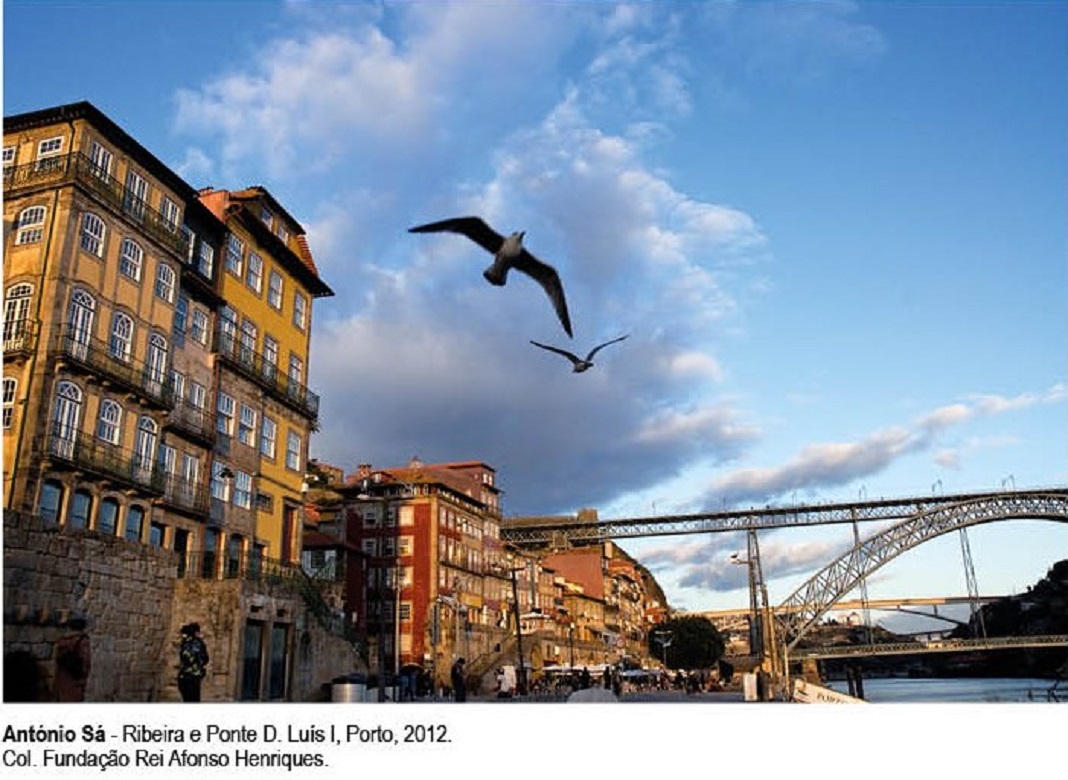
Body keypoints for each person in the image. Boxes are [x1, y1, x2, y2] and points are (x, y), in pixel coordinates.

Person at [54, 617, 91, 702]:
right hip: (75, 680)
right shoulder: (83, 641)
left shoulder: (62, 641)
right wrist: (83, 679)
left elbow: (56, 660)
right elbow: (86, 661)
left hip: (62, 680)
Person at [177, 622, 209, 702]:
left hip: (184, 676)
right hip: (194, 676)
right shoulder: (199, 643)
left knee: (187, 699)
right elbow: (205, 659)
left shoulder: (184, 643)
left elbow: (183, 658)